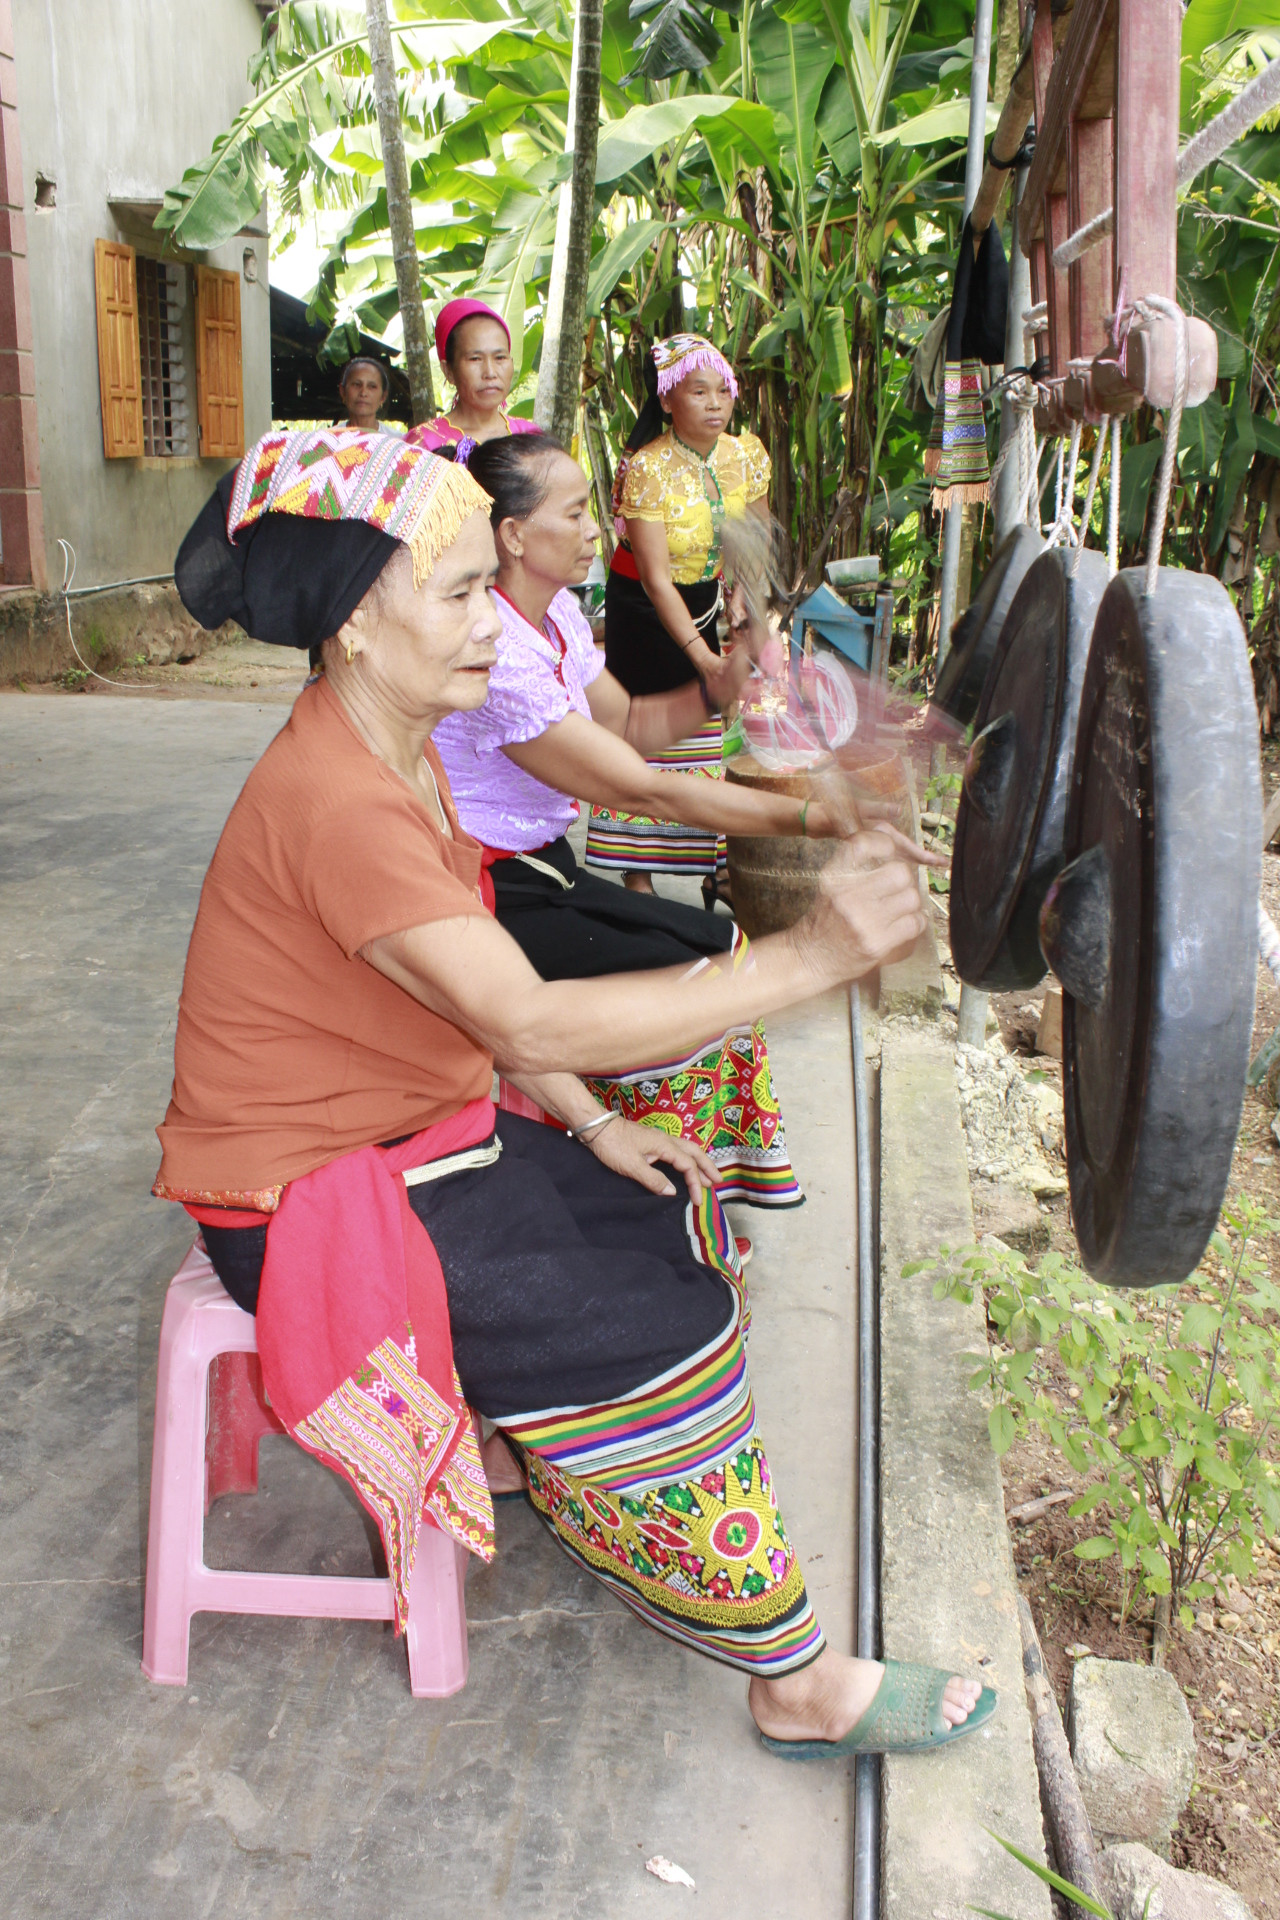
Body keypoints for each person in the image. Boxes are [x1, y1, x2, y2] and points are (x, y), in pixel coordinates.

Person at [157, 424, 993, 1760]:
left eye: (489, 582)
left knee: (667, 1212)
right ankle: (795, 1677)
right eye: (458, 593)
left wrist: (598, 1122)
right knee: (647, 1325)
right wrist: (813, 954)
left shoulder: (393, 749)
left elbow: (475, 1003)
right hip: (304, 1201)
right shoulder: (340, 800)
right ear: (357, 628)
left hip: (415, 1139)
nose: (496, 622)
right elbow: (524, 1009)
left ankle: (523, 1439)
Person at [435, 429, 845, 1210]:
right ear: (515, 535)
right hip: (481, 888)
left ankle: (704, 1185)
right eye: (577, 512)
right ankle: (650, 1197)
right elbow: (648, 790)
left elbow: (627, 725)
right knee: (693, 982)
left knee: (720, 945)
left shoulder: (552, 621)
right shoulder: (500, 651)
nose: (598, 530)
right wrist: (812, 819)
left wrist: (719, 688)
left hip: (543, 867)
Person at [585, 333, 771, 908]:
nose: (716, 404)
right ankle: (636, 872)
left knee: (709, 735)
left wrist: (747, 608)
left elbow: (755, 543)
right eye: (699, 391)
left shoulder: (746, 456)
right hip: (644, 609)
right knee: (649, 736)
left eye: (723, 391)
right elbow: (657, 579)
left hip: (707, 598)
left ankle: (712, 869)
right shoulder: (646, 469)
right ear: (667, 400)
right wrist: (704, 659)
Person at [404, 299, 541, 465]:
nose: (490, 373)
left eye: (500, 358)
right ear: (448, 370)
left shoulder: (530, 436)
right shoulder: (424, 443)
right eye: (475, 359)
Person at [337, 356, 391, 431]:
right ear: (342, 392)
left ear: (383, 396)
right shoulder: (326, 440)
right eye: (356, 384)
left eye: (372, 386)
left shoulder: (397, 440)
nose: (363, 393)